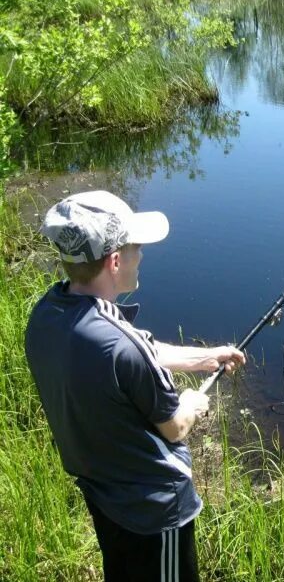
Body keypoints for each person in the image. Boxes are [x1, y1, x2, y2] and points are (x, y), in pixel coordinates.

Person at [24, 190, 245, 581]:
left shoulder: (47, 314)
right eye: (136, 247)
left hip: (104, 495)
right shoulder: (124, 346)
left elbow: (133, 352)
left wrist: (204, 357)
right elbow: (174, 426)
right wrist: (193, 401)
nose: (141, 254)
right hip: (156, 512)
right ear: (114, 261)